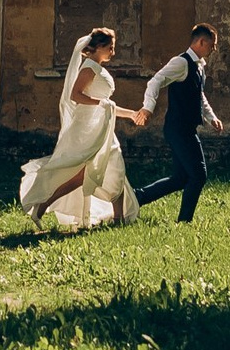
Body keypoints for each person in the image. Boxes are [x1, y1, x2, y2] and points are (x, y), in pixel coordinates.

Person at [19, 27, 142, 230]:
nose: (113, 51)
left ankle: (119, 218)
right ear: (99, 47)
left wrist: (130, 114)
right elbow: (75, 96)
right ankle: (43, 204)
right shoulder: (88, 69)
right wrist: (100, 104)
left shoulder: (99, 68)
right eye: (110, 47)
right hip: (89, 129)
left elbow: (106, 103)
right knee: (80, 175)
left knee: (114, 167)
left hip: (103, 127)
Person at [131, 22, 222, 223]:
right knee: (199, 175)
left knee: (180, 178)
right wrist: (147, 107)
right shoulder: (181, 63)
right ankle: (184, 222)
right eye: (212, 45)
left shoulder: (199, 66)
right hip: (178, 128)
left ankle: (137, 197)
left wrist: (211, 117)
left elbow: (199, 95)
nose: (214, 49)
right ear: (201, 41)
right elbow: (155, 80)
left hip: (186, 128)